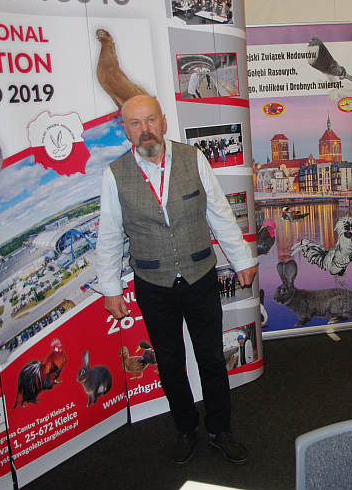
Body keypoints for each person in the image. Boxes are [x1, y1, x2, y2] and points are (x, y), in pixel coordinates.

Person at [96, 95, 257, 465]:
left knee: (211, 358)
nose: (145, 129)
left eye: (151, 119)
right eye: (135, 123)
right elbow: (109, 236)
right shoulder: (114, 175)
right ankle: (186, 429)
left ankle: (219, 430)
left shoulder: (193, 158)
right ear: (125, 130)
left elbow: (219, 213)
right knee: (169, 363)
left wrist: (242, 259)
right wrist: (111, 289)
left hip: (200, 278)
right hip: (153, 285)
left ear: (164, 121)